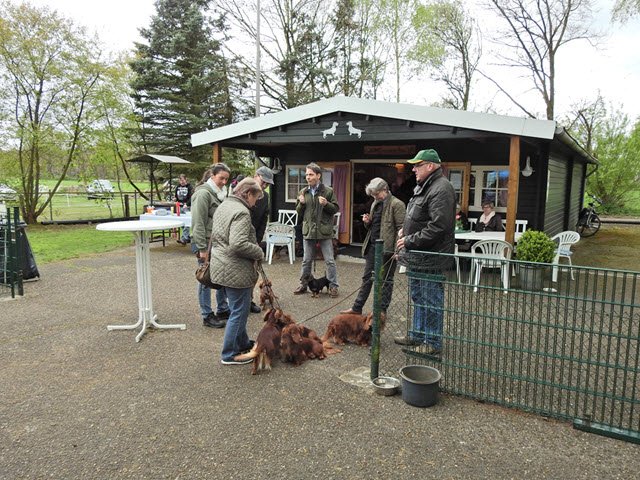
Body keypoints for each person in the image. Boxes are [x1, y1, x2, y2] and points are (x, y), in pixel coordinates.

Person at [394, 149, 456, 355]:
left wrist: (409, 240)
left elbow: (438, 226)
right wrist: (405, 228)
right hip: (418, 257)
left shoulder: (441, 188)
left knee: (431, 300)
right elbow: (417, 215)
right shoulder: (425, 186)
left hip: (431, 257)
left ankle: (432, 342)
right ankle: (418, 334)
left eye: (417, 165)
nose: (413, 169)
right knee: (418, 297)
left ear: (430, 166)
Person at [209, 178, 265, 365]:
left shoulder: (224, 205)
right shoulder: (241, 212)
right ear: (247, 193)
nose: (255, 202)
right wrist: (258, 251)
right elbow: (238, 244)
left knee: (237, 309)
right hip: (235, 269)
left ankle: (241, 343)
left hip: (221, 265)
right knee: (239, 312)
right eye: (255, 198)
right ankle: (230, 353)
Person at [340, 177, 405, 316]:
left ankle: (381, 312)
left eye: (376, 194)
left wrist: (398, 250)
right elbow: (374, 226)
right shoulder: (375, 203)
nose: (375, 197)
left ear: (385, 190)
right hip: (372, 246)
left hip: (388, 250)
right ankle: (357, 308)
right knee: (367, 278)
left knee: (386, 281)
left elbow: (402, 229)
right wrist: (367, 222)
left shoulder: (397, 204)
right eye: (373, 195)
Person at [191, 163, 231, 328]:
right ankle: (207, 315)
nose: (224, 182)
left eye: (226, 179)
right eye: (221, 178)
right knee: (205, 278)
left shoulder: (220, 194)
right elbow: (197, 223)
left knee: (221, 276)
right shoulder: (203, 194)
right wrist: (201, 249)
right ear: (212, 176)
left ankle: (222, 308)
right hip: (205, 244)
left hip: (218, 243)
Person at [293, 163, 340, 297]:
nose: (308, 177)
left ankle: (333, 286)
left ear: (318, 176)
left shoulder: (328, 191)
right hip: (308, 231)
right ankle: (303, 284)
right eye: (306, 174)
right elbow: (299, 213)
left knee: (329, 260)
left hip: (324, 231)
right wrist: (301, 204)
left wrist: (326, 204)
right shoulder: (303, 192)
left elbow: (335, 209)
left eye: (311, 174)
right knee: (306, 260)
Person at [248, 166, 274, 313]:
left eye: (267, 184)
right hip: (240, 236)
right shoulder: (242, 190)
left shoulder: (265, 196)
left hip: (254, 238)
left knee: (253, 272)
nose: (264, 186)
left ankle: (249, 300)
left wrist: (258, 240)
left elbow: (264, 219)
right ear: (256, 176)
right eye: (263, 182)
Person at [175, 174, 193, 245]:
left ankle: (184, 238)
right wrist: (175, 199)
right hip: (179, 206)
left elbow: (192, 197)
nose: (181, 182)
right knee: (181, 222)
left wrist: (187, 204)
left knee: (187, 223)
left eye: (182, 180)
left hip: (187, 207)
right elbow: (176, 195)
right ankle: (187, 237)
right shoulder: (178, 187)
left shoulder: (189, 187)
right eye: (180, 180)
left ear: (186, 179)